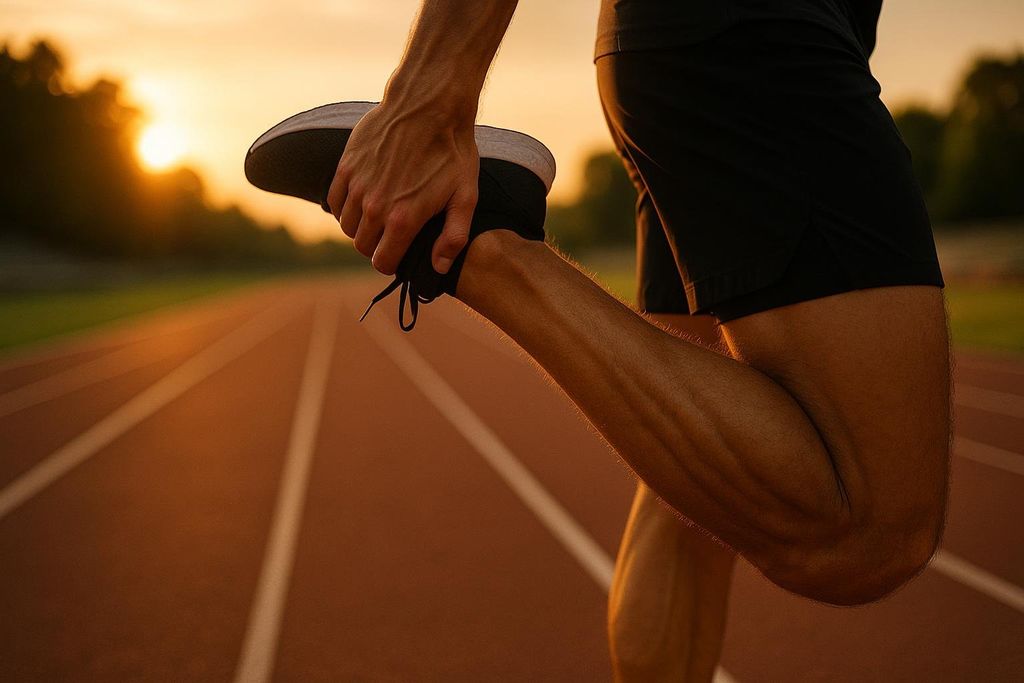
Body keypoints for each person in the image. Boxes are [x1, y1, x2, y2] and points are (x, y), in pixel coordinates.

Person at [322, 1, 951, 680]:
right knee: (866, 524)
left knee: (702, 488)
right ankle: (487, 249)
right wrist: (427, 94)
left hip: (702, 46)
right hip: (755, 41)